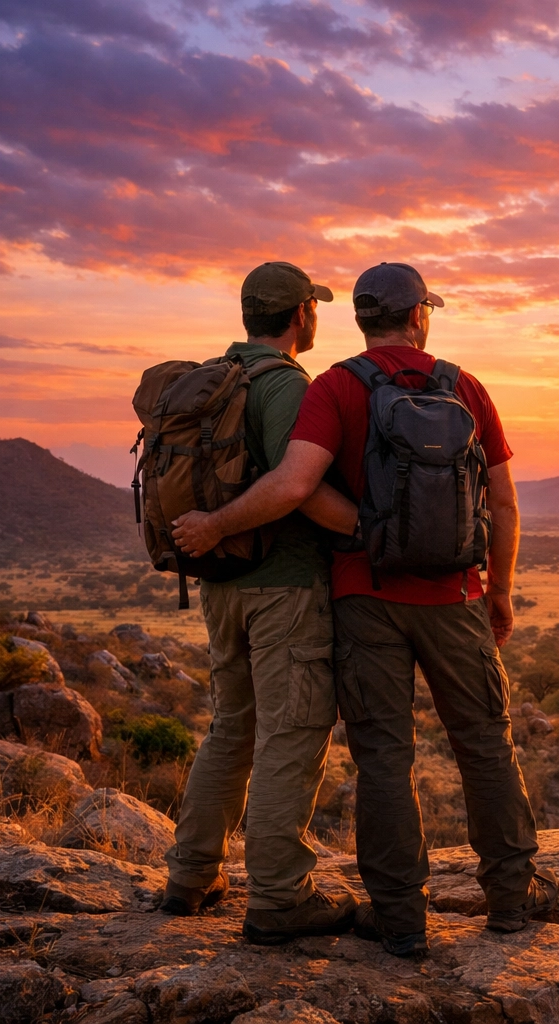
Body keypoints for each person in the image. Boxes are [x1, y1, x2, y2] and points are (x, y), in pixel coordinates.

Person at [171, 262, 554, 959]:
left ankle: (400, 917)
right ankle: (509, 899)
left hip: (363, 595)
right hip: (456, 597)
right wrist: (498, 590)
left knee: (384, 755)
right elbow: (503, 502)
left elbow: (297, 484)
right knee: (485, 745)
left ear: (359, 320)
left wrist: (368, 537)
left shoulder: (336, 386)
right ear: (418, 317)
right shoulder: (465, 385)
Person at [160, 261, 361, 946]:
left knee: (232, 727)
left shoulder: (219, 378)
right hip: (283, 585)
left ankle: (191, 876)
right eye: (315, 307)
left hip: (222, 588)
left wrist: (213, 533)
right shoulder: (284, 386)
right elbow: (293, 485)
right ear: (303, 314)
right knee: (294, 732)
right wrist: (370, 529)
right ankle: (279, 897)